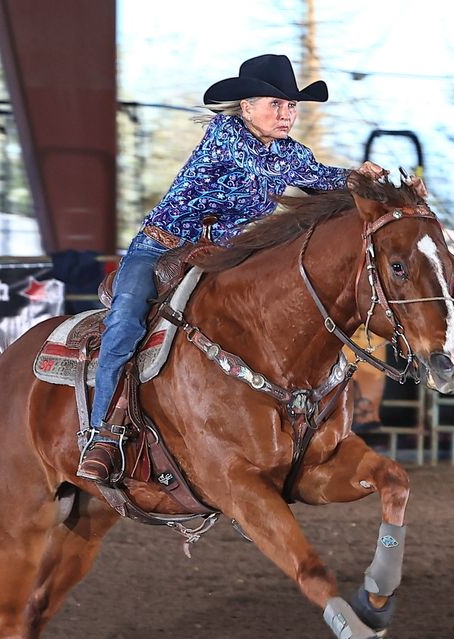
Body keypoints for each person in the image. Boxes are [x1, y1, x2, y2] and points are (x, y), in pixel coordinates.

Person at [76, 53, 385, 483]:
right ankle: (102, 434)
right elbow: (278, 174)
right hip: (159, 248)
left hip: (218, 256)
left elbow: (324, 176)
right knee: (124, 324)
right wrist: (351, 180)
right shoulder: (227, 135)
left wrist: (375, 182)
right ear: (246, 107)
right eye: (275, 104)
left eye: (292, 106)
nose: (286, 114)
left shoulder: (289, 153)